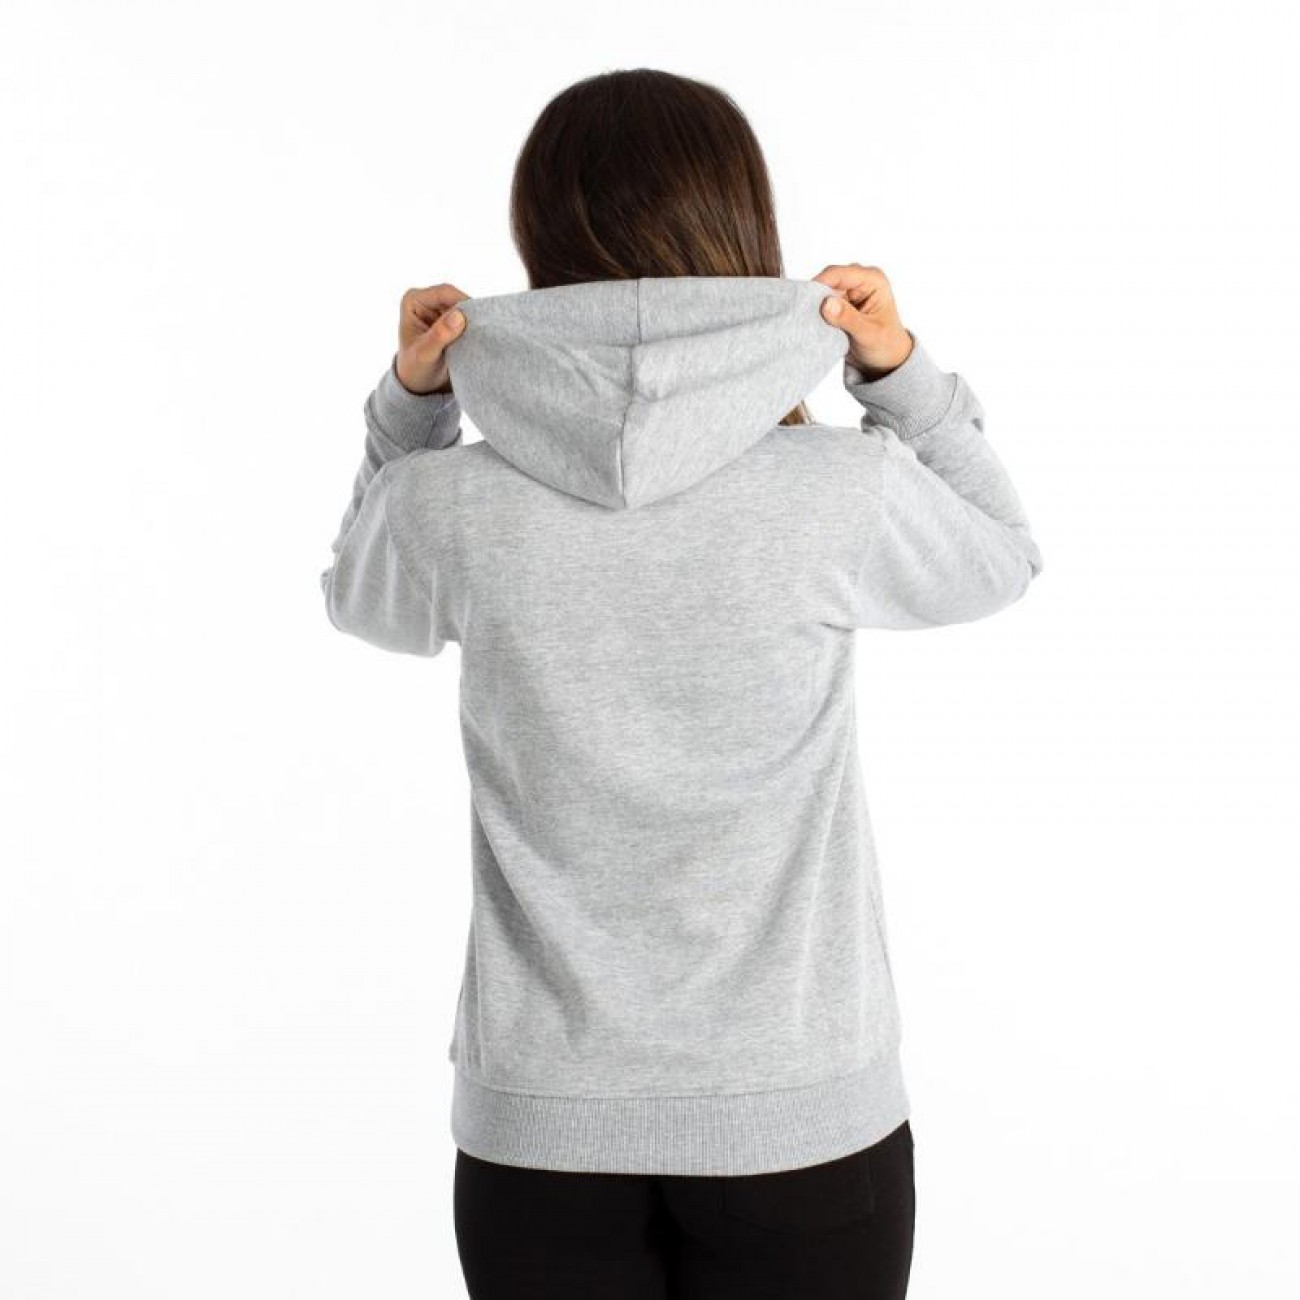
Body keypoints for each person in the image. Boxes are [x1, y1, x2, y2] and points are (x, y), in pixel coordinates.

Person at [320, 67, 1044, 1300]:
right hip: (800, 1117)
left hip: (541, 1129)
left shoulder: (450, 507)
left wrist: (411, 409)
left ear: (537, 237)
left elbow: (355, 593)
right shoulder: (839, 492)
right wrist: (899, 375)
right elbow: (1001, 556)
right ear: (740, 228)